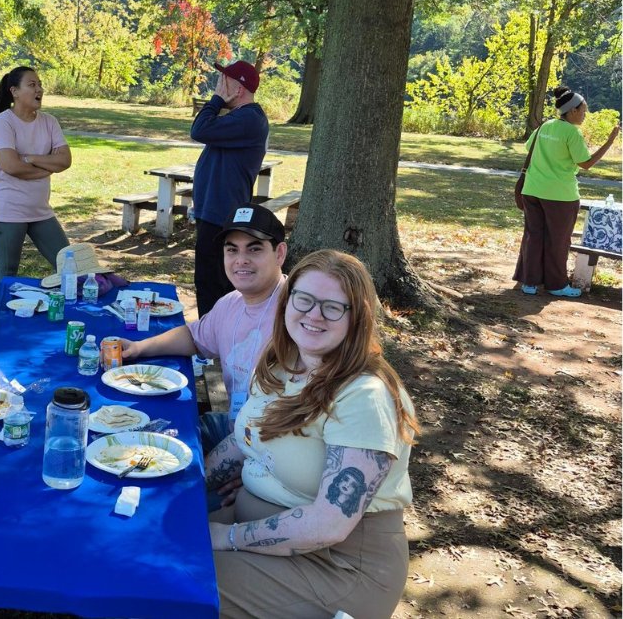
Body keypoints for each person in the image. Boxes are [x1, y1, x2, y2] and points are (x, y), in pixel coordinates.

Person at [207, 250, 419, 619]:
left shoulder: (363, 397)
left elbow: (328, 524)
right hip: (266, 534)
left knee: (174, 577)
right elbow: (247, 441)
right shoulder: (283, 363)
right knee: (152, 539)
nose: (313, 315)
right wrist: (186, 483)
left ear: (358, 319)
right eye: (303, 299)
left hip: (338, 567)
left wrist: (227, 538)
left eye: (333, 307)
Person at [121, 204, 287, 452]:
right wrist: (138, 348)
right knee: (144, 439)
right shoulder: (231, 303)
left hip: (270, 446)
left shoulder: (298, 315)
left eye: (254, 249)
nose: (241, 260)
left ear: (280, 254)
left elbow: (298, 420)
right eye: (232, 250)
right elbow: (194, 336)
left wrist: (246, 467)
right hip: (234, 427)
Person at [514, 86, 620, 298]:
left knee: (533, 237)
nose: (584, 115)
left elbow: (528, 148)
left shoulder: (545, 126)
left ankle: (529, 283)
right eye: (583, 111)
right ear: (572, 111)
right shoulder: (572, 132)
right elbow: (586, 163)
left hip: (532, 190)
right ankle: (556, 285)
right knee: (558, 240)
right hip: (560, 196)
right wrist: (610, 141)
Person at [190, 59, 269, 316]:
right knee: (208, 280)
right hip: (212, 211)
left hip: (221, 214)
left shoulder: (250, 119)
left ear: (239, 88)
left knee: (213, 282)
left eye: (224, 80)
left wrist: (215, 100)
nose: (218, 85)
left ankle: (214, 342)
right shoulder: (238, 118)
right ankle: (211, 339)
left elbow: (199, 129)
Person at [0, 66, 72, 282]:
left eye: (40, 85)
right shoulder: (3, 122)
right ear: (14, 91)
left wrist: (31, 158)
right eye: (32, 85)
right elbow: (11, 166)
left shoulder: (49, 122)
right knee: (7, 274)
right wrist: (48, 168)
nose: (39, 90)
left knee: (69, 265)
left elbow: (65, 160)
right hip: (8, 210)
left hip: (40, 211)